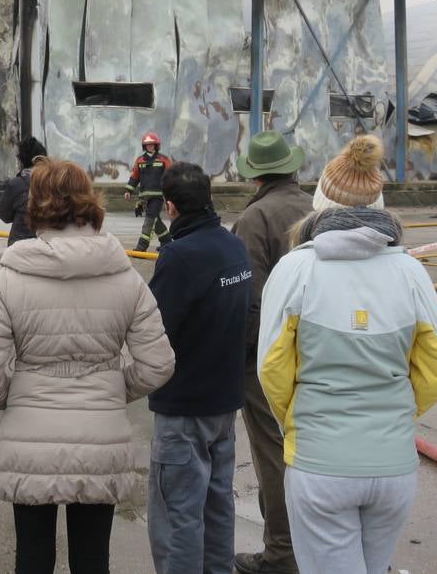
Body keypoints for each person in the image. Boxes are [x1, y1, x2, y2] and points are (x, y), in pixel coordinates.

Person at [0, 158, 175, 574]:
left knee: (32, 559)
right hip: (102, 436)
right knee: (93, 560)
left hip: (29, 438)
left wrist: (19, 394)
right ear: (90, 201)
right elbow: (158, 363)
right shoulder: (125, 274)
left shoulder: (11, 277)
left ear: (36, 204)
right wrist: (113, 388)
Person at [258, 135, 437, 574]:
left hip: (320, 462)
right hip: (394, 465)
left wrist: (299, 422)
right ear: (380, 202)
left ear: (319, 202)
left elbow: (271, 369)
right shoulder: (411, 272)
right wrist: (397, 413)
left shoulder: (296, 270)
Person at [146, 162, 252, 574]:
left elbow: (154, 330)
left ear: (170, 207)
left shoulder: (180, 256)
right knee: (218, 506)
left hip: (184, 406)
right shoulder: (233, 246)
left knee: (178, 517)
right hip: (224, 402)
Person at [231, 131, 313, 574]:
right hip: (317, 353)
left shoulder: (255, 218)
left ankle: (281, 553)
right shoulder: (316, 209)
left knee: (274, 455)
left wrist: (241, 358)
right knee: (307, 452)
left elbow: (250, 298)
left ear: (257, 175)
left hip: (270, 359)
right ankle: (314, 546)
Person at [125, 131, 173, 252]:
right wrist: (128, 190)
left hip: (158, 197)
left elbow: (171, 177)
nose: (150, 146)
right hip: (144, 198)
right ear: (144, 146)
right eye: (147, 145)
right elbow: (134, 177)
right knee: (156, 221)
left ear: (156, 145)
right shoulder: (140, 161)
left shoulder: (164, 160)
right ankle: (167, 242)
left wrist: (171, 194)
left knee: (149, 220)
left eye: (152, 144)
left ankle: (142, 246)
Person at [0, 136, 47, 244]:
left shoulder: (16, 185)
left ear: (21, 160)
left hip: (19, 246)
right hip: (49, 245)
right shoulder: (57, 183)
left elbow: (3, 215)